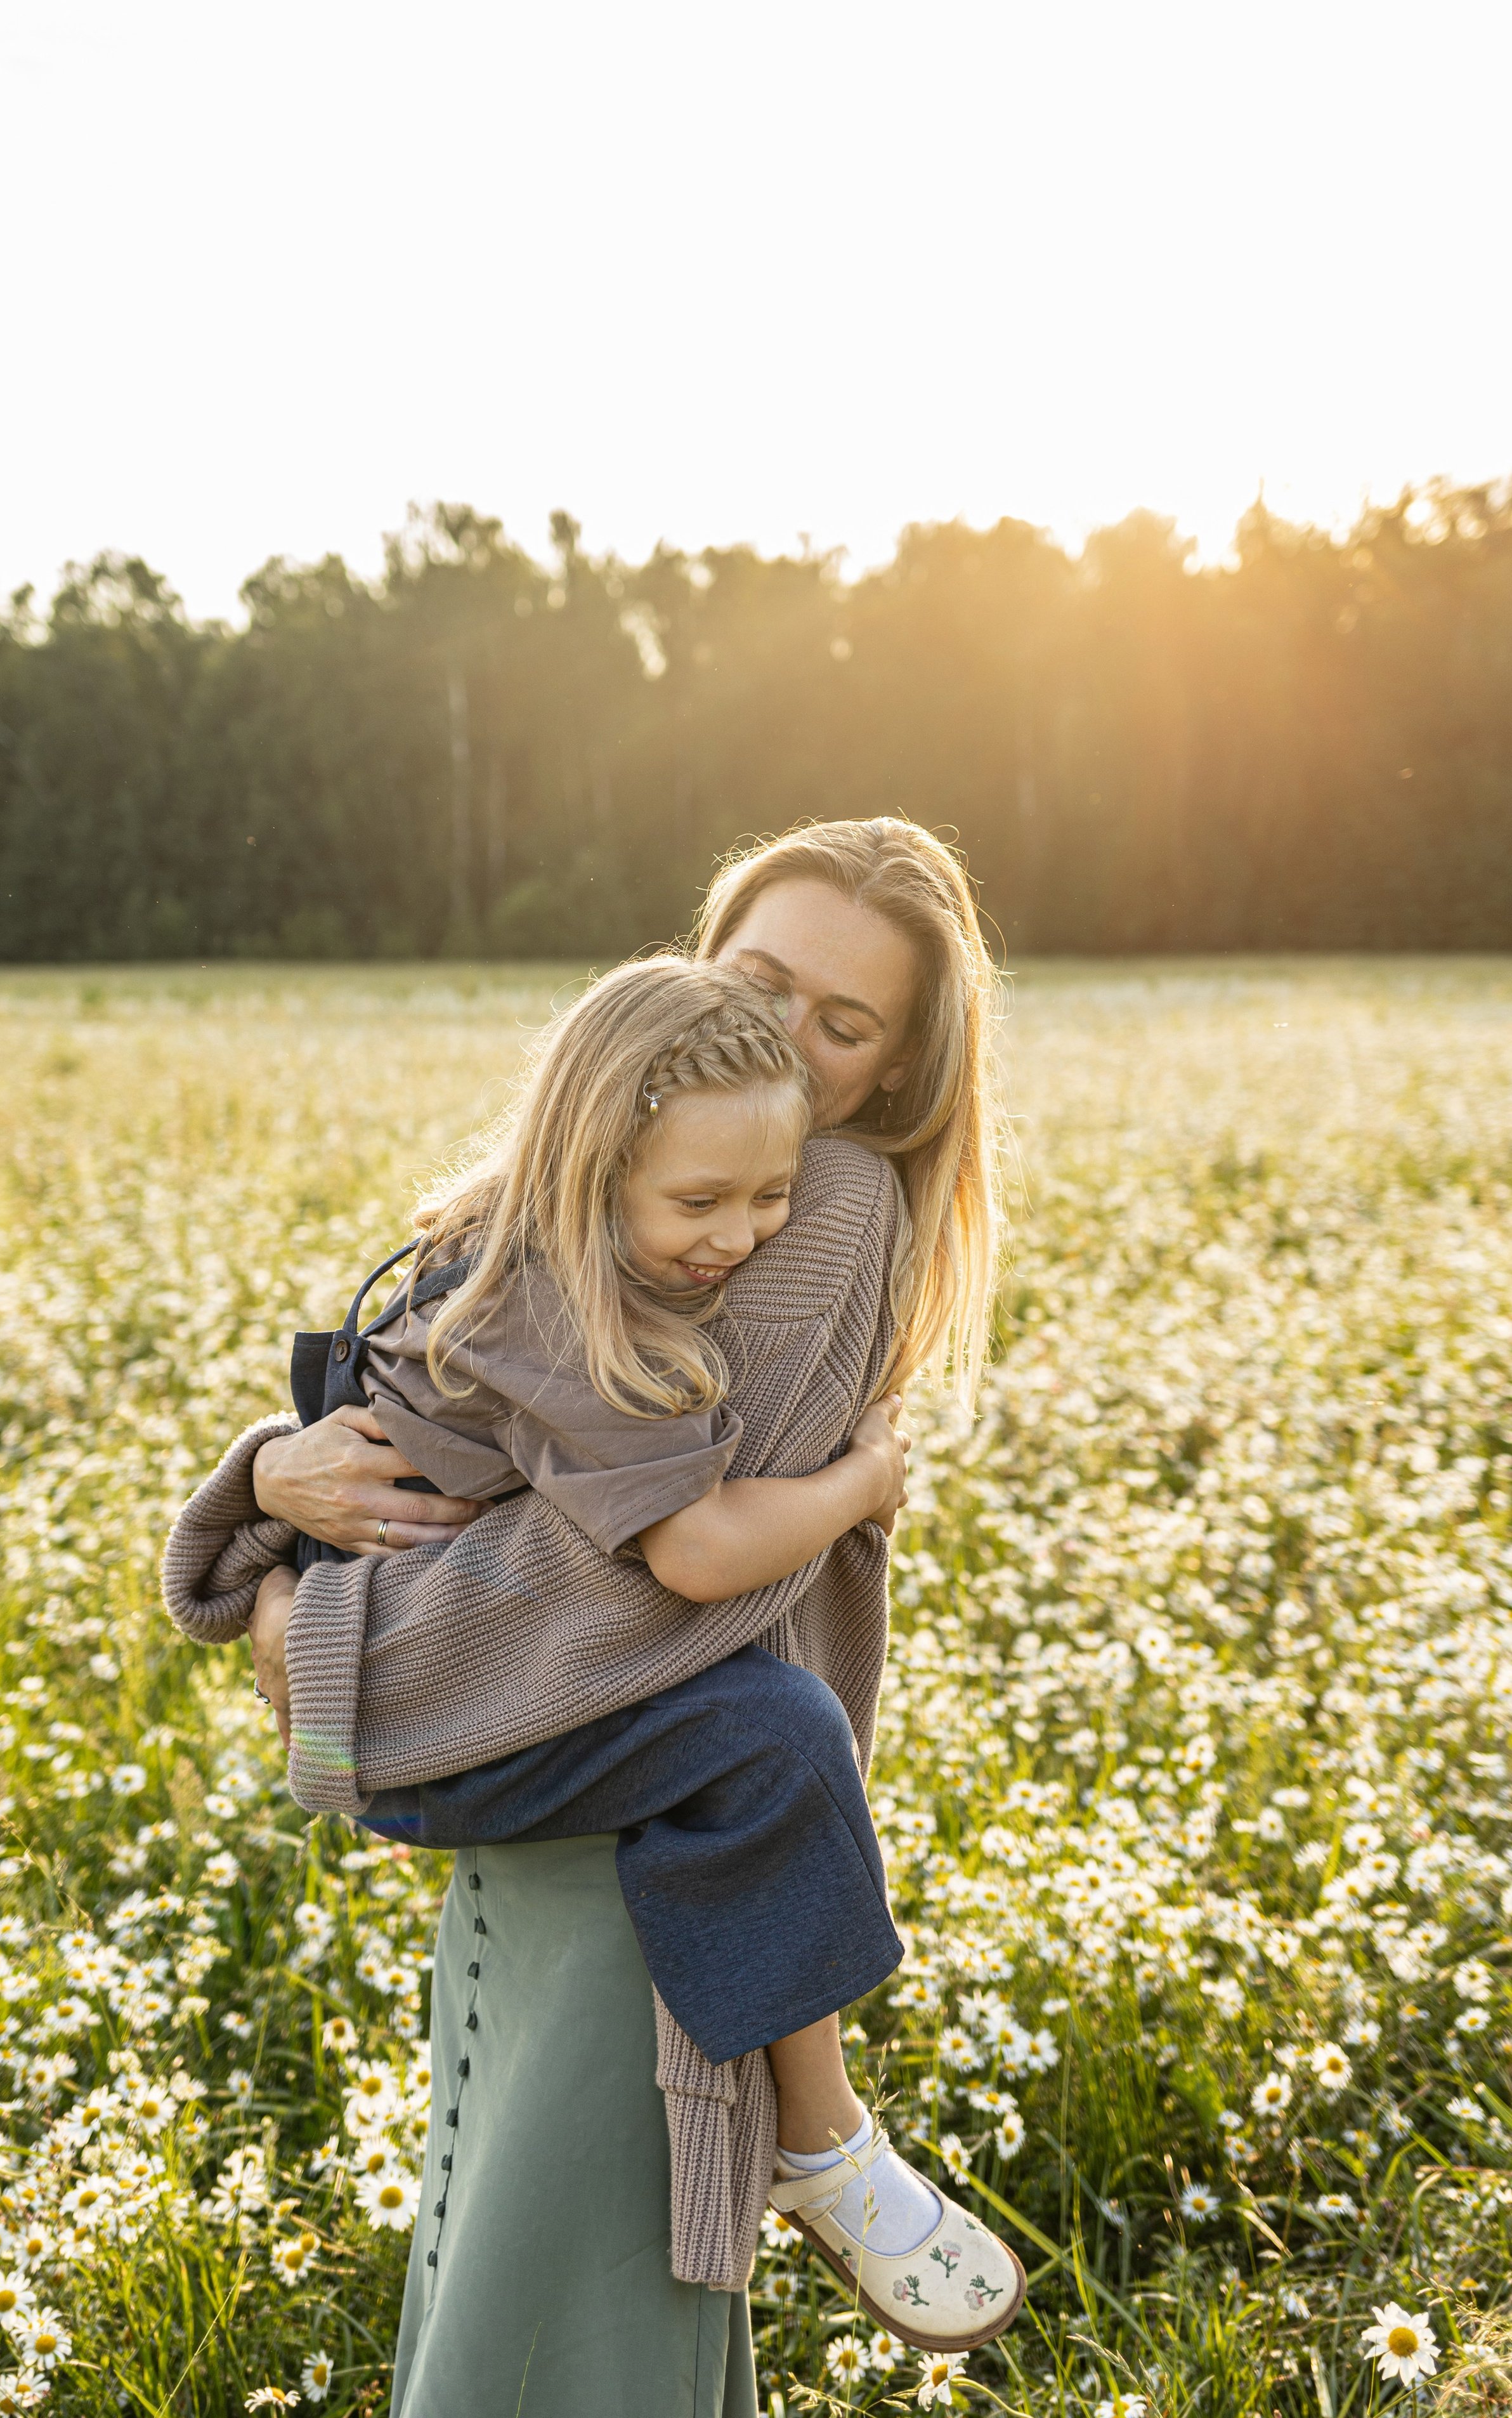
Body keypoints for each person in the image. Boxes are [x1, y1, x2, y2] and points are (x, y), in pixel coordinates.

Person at [164, 817, 1009, 2416]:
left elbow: (610, 1580)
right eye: (757, 981)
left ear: (899, 1070)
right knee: (558, 2307)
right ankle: (827, 2144)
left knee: (548, 2294)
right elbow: (650, 1558)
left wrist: (312, 1631)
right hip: (534, 1765)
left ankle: (825, 2143)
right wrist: (285, 1504)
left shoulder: (794, 1194)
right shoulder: (598, 1213)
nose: (783, 1041)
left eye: (842, 1027)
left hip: (562, 1781)